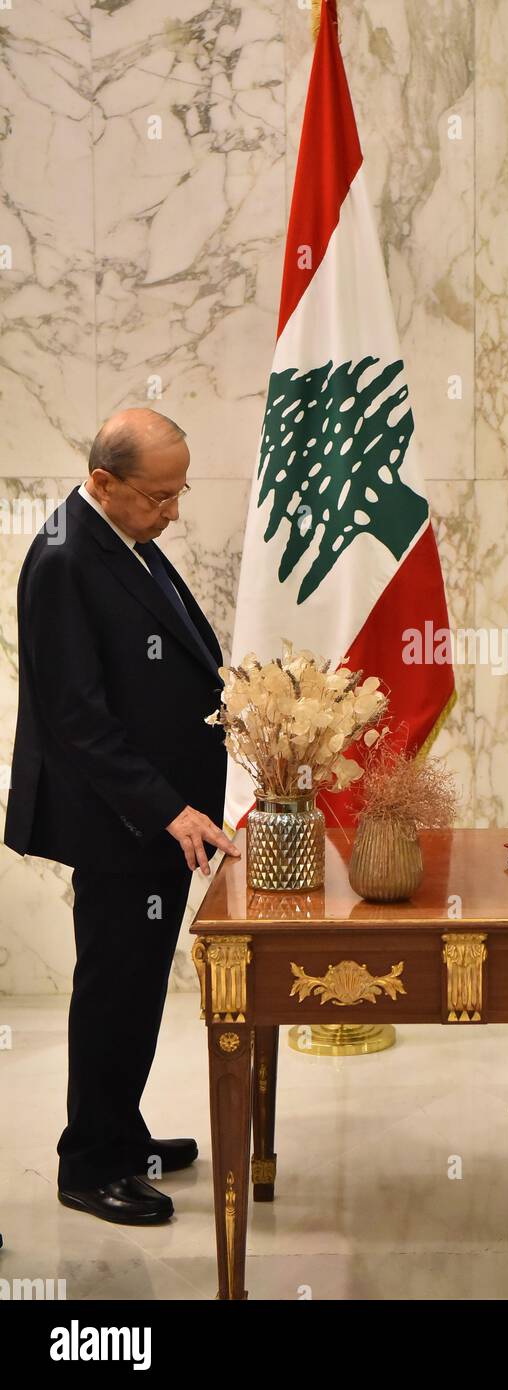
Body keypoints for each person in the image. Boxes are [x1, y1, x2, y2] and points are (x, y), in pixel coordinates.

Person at [4, 407, 241, 1225]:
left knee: (137, 986)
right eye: (158, 496)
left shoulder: (123, 540)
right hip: (118, 822)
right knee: (114, 987)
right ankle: (90, 1162)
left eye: (178, 493)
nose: (172, 511)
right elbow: (76, 717)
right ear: (103, 482)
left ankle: (122, 1131)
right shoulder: (65, 558)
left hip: (153, 819)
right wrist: (166, 807)